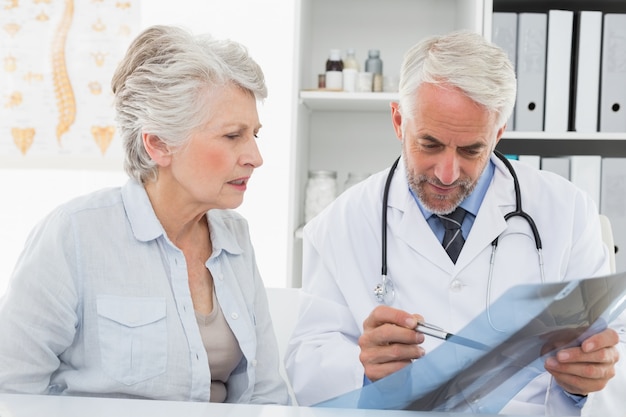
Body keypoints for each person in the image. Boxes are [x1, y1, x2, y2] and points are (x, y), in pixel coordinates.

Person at [285, 31, 625, 415]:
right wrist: (363, 371)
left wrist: (590, 380)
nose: (447, 173)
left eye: (470, 150)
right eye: (429, 144)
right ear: (399, 121)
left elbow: (616, 347)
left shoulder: (568, 212)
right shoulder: (339, 224)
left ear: (497, 135)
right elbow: (306, 361)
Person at [0, 25, 289, 405]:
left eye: (255, 134)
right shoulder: (74, 234)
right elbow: (11, 390)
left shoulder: (235, 236)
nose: (255, 156)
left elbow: (267, 395)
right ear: (158, 144)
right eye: (233, 136)